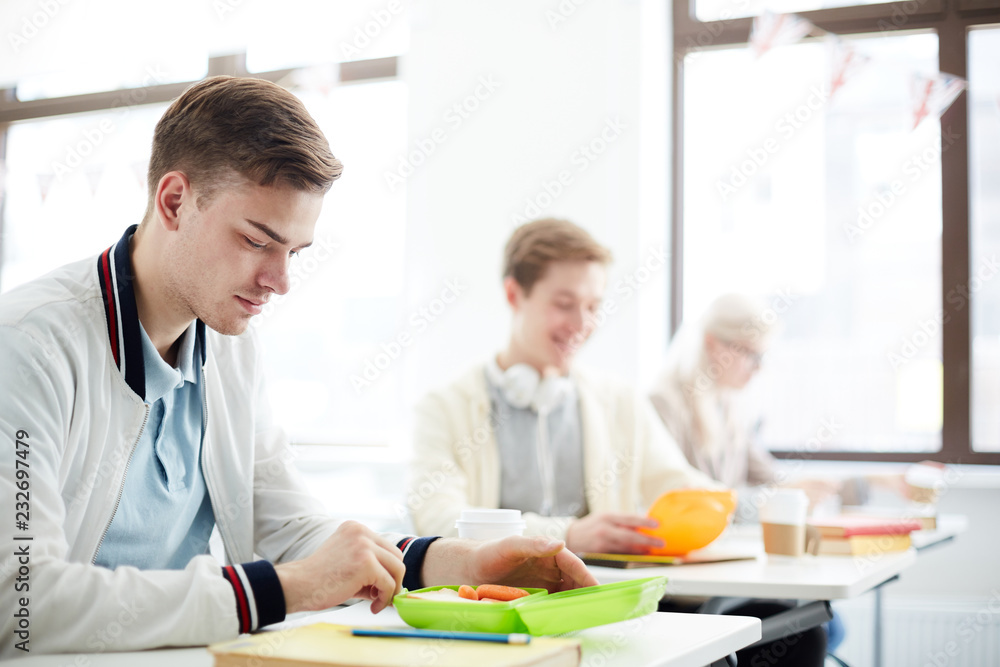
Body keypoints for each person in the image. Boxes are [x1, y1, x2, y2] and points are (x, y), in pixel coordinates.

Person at [0, 77, 595, 659]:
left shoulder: (230, 344)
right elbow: (18, 601)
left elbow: (284, 527)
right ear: (175, 201)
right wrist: (283, 589)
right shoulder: (28, 345)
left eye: (294, 253)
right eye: (258, 240)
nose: (280, 282)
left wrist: (453, 562)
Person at [406, 218, 718, 555]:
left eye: (592, 307)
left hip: (597, 597)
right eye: (564, 304)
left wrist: (720, 504)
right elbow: (436, 519)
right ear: (514, 295)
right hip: (491, 598)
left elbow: (678, 484)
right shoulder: (442, 408)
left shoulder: (621, 401)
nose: (582, 324)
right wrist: (567, 534)